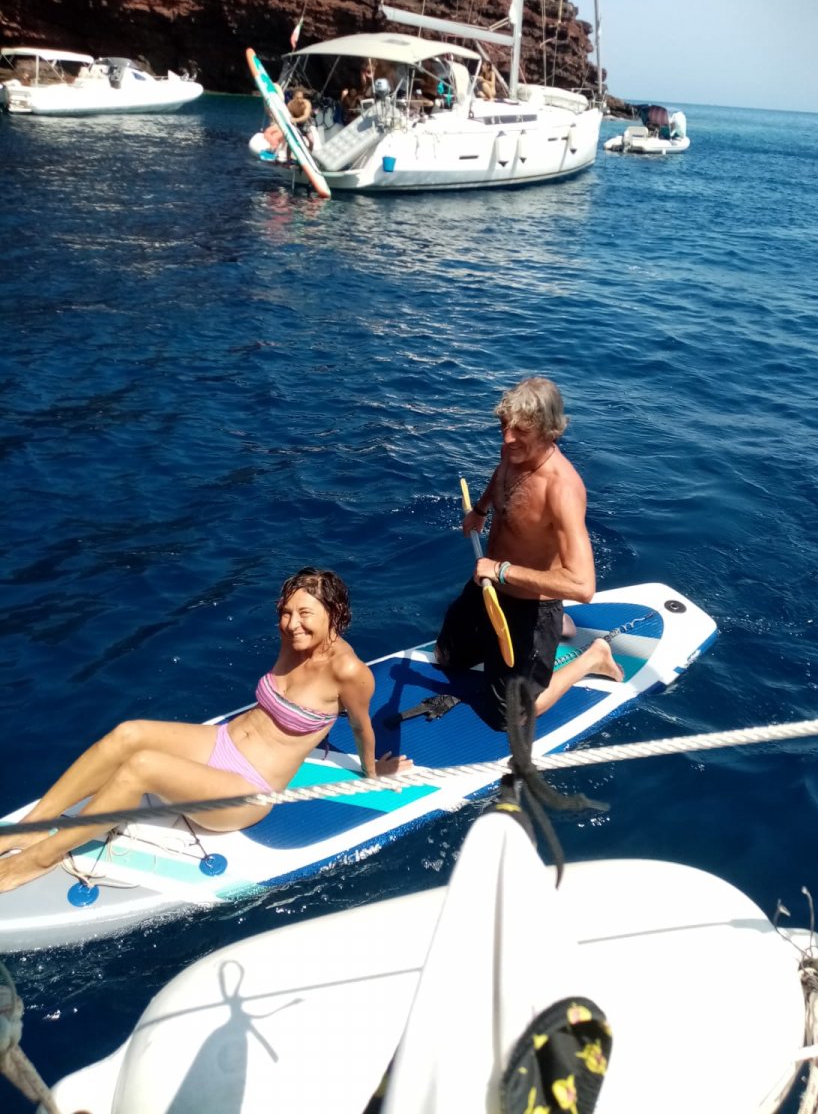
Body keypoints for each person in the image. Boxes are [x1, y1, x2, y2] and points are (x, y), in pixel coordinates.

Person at [0, 568, 410, 894]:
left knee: (141, 766)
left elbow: (361, 727)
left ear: (334, 614)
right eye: (286, 612)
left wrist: (374, 773)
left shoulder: (349, 672)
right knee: (129, 733)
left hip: (248, 788)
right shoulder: (293, 640)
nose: (291, 624)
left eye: (305, 614)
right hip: (222, 741)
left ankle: (38, 858)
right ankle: (30, 827)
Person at [435, 378, 623, 729]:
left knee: (511, 716)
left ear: (550, 431)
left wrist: (502, 570)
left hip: (529, 608)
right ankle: (552, 638)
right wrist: (480, 509)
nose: (506, 438)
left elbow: (583, 585)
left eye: (520, 430)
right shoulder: (514, 449)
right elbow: (503, 474)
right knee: (447, 658)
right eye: (504, 426)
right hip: (488, 588)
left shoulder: (562, 489)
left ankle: (593, 657)